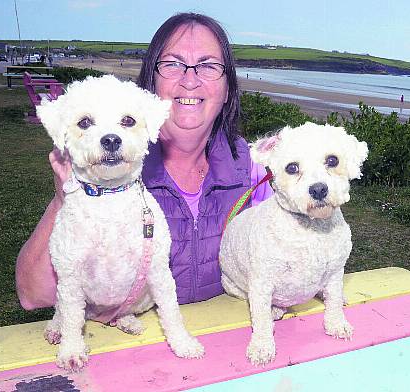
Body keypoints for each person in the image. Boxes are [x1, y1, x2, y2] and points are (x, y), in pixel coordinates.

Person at [15, 13, 273, 310]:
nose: (190, 79)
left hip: (225, 343)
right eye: (173, 64)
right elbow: (35, 295)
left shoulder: (252, 172)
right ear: (150, 82)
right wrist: (65, 198)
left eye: (208, 65)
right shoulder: (107, 169)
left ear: (228, 89)